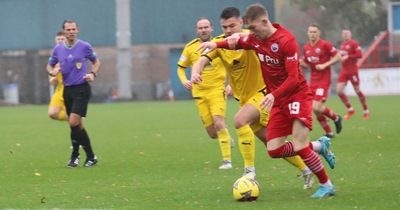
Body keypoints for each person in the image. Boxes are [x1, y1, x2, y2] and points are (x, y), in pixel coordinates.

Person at [197, 3, 336, 198]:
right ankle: (320, 146)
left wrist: (273, 94)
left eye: (253, 27)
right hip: (278, 101)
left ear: (264, 21)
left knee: (299, 143)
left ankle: (327, 184)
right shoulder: (256, 39)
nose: (251, 32)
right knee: (274, 150)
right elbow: (237, 43)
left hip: (297, 95)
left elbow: (294, 78)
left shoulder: (286, 40)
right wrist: (215, 44)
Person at [177, 17, 233, 170]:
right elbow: (180, 67)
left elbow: (231, 63)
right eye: (200, 28)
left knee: (218, 121)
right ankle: (226, 138)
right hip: (199, 93)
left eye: (206, 27)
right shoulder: (190, 48)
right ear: (197, 30)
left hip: (217, 90)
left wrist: (231, 84)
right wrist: (183, 80)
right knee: (212, 132)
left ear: (212, 28)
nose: (203, 30)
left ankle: (227, 160)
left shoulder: (221, 44)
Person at [47, 19, 100, 168]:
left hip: (82, 89)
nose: (71, 32)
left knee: (72, 122)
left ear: (77, 30)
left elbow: (96, 62)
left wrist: (92, 74)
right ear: (63, 31)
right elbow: (49, 65)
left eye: (73, 29)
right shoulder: (58, 49)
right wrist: (53, 71)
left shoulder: (84, 46)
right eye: (68, 30)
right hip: (67, 90)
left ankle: (75, 155)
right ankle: (90, 156)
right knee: (76, 126)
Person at [300, 24, 342, 138]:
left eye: (315, 32)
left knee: (316, 106)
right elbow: (307, 64)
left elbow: (338, 57)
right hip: (313, 80)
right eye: (310, 32)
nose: (312, 34)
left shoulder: (325, 44)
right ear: (307, 33)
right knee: (316, 110)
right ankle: (329, 132)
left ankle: (336, 118)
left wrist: (325, 65)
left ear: (319, 33)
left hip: (324, 79)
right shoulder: (306, 47)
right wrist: (299, 62)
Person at [337, 29, 369, 120]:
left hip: (352, 71)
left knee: (357, 91)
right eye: (343, 34)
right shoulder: (342, 45)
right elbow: (342, 57)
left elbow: (360, 55)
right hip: (344, 71)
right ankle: (350, 110)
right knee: (339, 91)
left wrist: (348, 56)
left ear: (350, 35)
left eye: (347, 33)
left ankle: (366, 111)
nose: (345, 35)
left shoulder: (354, 43)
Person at [48, 31, 68, 121]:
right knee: (52, 114)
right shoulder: (54, 56)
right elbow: (51, 73)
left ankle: (74, 119)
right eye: (58, 39)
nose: (60, 41)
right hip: (60, 89)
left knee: (73, 125)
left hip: (70, 88)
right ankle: (72, 118)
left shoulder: (72, 52)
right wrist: (52, 78)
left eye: (62, 39)